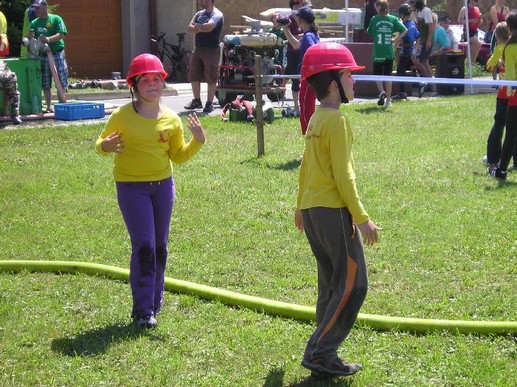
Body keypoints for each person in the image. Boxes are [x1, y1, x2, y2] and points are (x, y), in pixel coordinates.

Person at [95, 53, 206, 328]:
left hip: (162, 187)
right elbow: (101, 143)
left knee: (160, 247)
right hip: (131, 188)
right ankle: (142, 310)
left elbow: (178, 156)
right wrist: (105, 146)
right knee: (144, 246)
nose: (152, 84)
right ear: (134, 85)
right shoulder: (122, 116)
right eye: (146, 80)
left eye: (157, 79)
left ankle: (155, 303)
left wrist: (197, 142)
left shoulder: (171, 119)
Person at [295, 42, 380, 379]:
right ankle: (321, 350)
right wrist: (362, 218)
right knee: (354, 284)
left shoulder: (317, 118)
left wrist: (301, 205)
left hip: (314, 211)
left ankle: (323, 354)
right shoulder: (337, 122)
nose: (354, 81)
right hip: (332, 212)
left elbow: (305, 167)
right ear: (333, 83)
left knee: (331, 283)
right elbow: (344, 175)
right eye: (349, 75)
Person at [282, 5, 319, 135]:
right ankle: (310, 147)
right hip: (309, 77)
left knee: (306, 112)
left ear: (301, 19)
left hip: (308, 77)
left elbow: (313, 51)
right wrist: (285, 29)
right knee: (307, 110)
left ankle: (309, 148)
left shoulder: (308, 37)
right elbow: (296, 45)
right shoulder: (311, 34)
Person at [485, 22, 517, 171]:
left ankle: (493, 157)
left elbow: (488, 66)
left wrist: (497, 61)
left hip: (505, 93)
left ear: (498, 36)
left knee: (499, 124)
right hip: (514, 93)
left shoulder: (501, 48)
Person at [27, 0, 68, 113]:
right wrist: (29, 37)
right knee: (45, 82)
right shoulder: (34, 23)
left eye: (38, 8)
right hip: (43, 55)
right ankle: (48, 107)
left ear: (45, 6)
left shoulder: (56, 19)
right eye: (35, 8)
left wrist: (48, 39)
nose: (36, 10)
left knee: (60, 80)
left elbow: (61, 34)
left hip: (57, 53)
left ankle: (62, 106)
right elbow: (30, 40)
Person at [184, 0, 224, 114]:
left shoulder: (217, 14)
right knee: (194, 75)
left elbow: (209, 27)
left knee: (211, 76)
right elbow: (189, 28)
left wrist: (197, 26)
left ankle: (209, 103)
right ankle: (197, 101)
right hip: (198, 49)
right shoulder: (199, 14)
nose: (201, 1)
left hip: (211, 49)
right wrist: (201, 27)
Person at [367, 0, 407, 107]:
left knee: (377, 75)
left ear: (379, 6)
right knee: (388, 76)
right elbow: (404, 30)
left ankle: (381, 91)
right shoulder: (393, 19)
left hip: (378, 51)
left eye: (376, 6)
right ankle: (388, 100)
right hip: (389, 51)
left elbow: (369, 31)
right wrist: (396, 40)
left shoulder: (374, 19)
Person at [393, 3, 419, 100]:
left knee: (400, 71)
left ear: (402, 14)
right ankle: (420, 83)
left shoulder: (404, 26)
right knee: (408, 70)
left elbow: (399, 39)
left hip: (405, 52)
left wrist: (394, 48)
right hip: (411, 51)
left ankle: (402, 93)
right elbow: (418, 38)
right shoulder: (412, 24)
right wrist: (415, 51)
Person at [457, 0, 483, 66]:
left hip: (475, 31)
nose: (476, 2)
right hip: (467, 31)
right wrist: (471, 21)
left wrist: (479, 19)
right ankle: (470, 63)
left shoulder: (477, 9)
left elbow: (480, 22)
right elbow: (459, 21)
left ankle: (470, 64)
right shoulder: (464, 9)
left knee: (472, 49)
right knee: (478, 43)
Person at [0, 60, 22, 124]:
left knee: (14, 94)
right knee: (13, 94)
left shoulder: (11, 77)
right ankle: (14, 115)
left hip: (8, 78)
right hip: (5, 78)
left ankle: (14, 115)